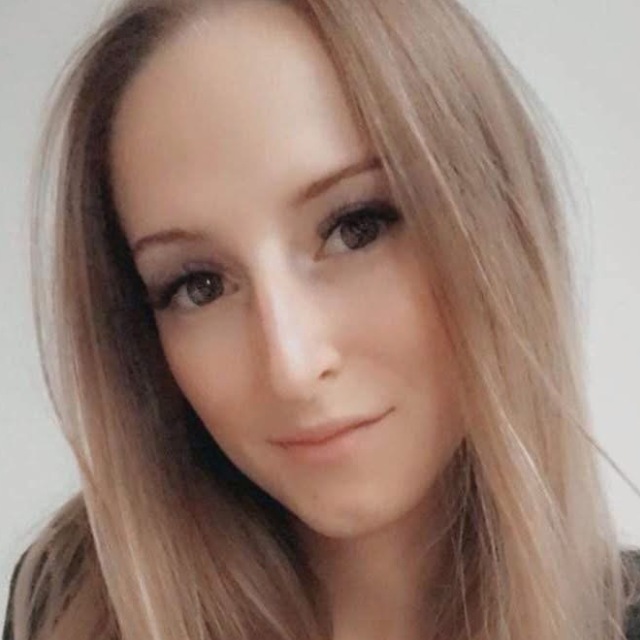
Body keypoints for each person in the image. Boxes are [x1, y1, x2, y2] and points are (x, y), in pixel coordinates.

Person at [3, 0, 640, 639]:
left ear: (495, 225)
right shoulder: (71, 606)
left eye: (356, 228)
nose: (292, 367)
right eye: (199, 286)